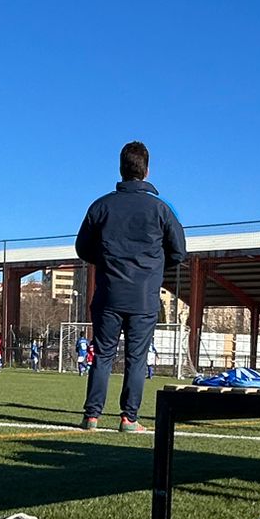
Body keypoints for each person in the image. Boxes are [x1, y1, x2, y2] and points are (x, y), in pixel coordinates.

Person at [74, 140, 185, 432]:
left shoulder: (101, 206)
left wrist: (107, 260)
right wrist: (153, 267)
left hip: (109, 294)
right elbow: (179, 251)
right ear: (147, 170)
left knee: (103, 355)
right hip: (144, 298)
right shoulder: (161, 209)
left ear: (121, 169)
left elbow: (82, 248)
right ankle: (129, 418)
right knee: (136, 360)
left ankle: (92, 416)